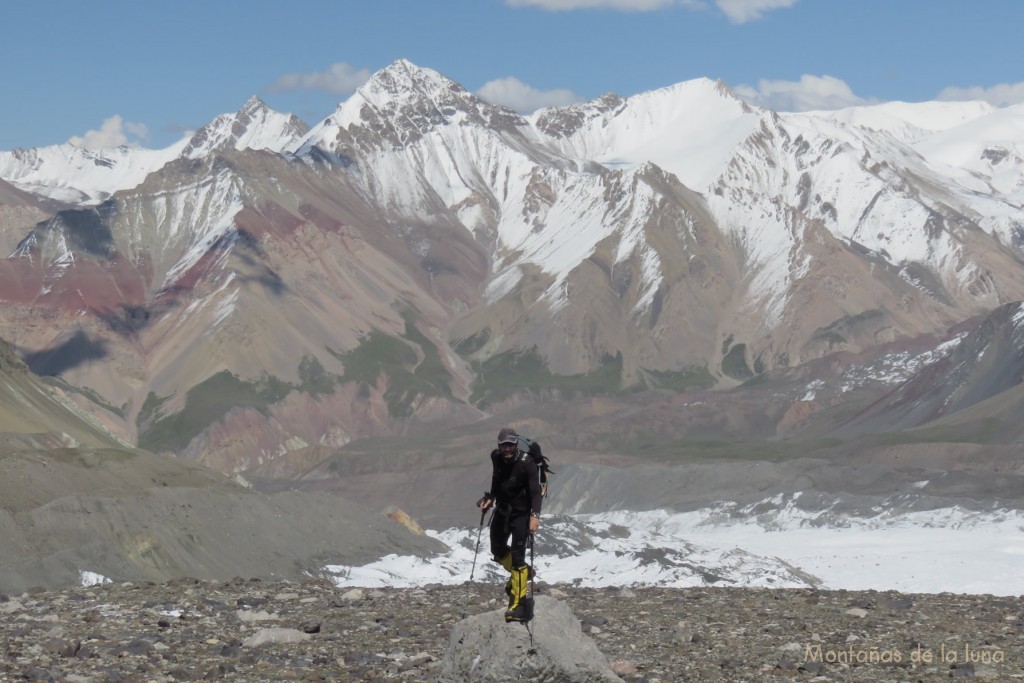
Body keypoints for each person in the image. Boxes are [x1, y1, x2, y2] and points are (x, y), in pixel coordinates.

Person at [477, 427, 542, 623]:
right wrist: (490, 498)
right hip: (503, 510)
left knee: (518, 556)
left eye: (510, 445)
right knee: (497, 549)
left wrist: (535, 516)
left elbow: (535, 492)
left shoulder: (527, 463)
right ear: (499, 445)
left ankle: (518, 604)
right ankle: (522, 575)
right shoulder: (495, 457)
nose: (507, 449)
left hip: (521, 514)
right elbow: (497, 480)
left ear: (516, 445)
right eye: (504, 445)